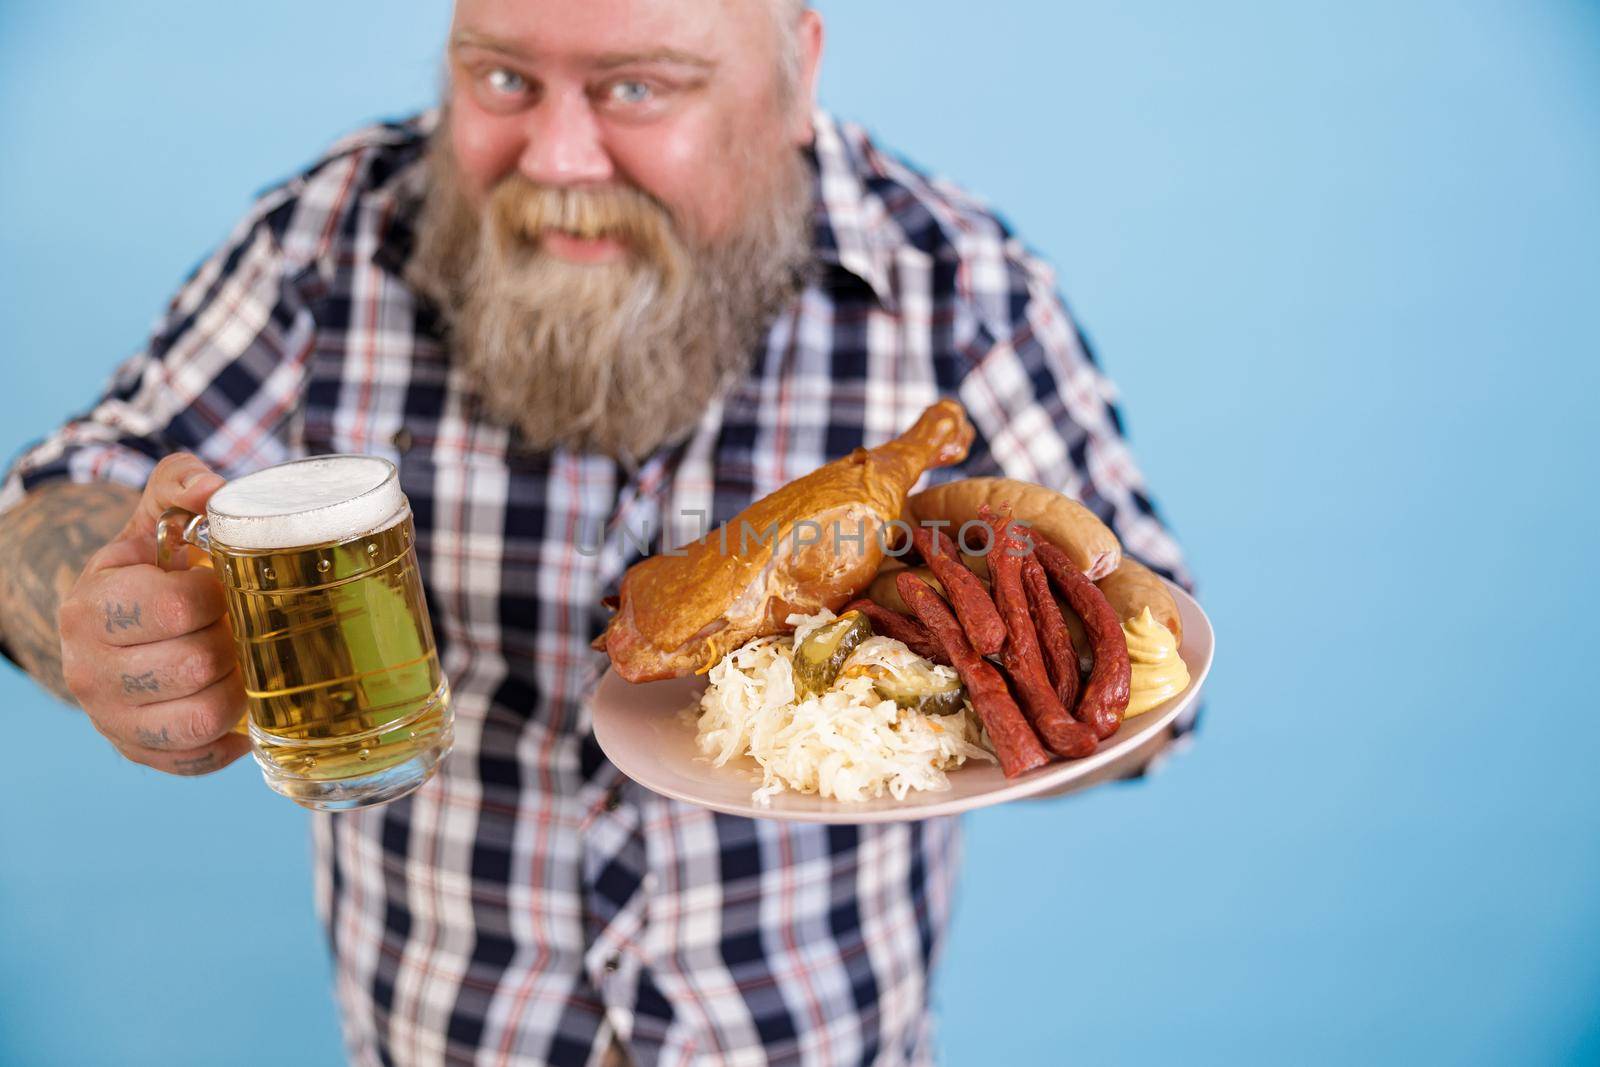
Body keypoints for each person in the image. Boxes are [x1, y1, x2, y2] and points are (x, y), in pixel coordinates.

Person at [0, 1, 1194, 1063]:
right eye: (501, 78)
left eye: (636, 87)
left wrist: (954, 672)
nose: (556, 158)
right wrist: (114, 615)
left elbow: (1152, 676)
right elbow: (65, 492)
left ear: (797, 71)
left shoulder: (959, 284)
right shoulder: (329, 237)